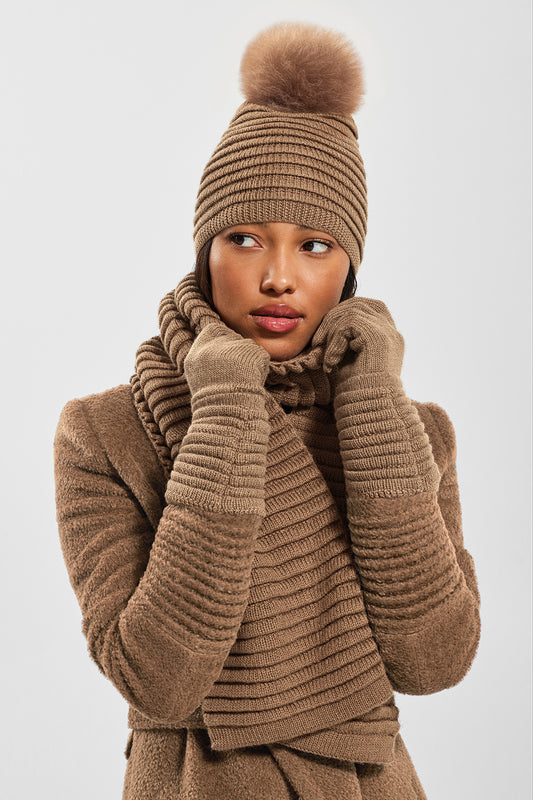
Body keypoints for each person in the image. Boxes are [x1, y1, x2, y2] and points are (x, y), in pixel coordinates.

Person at [53, 22, 481, 800]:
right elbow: (158, 679)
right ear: (204, 252)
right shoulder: (105, 433)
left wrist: (376, 410)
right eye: (245, 237)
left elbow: (433, 660)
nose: (278, 276)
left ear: (350, 265)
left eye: (314, 244)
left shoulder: (413, 431)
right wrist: (220, 409)